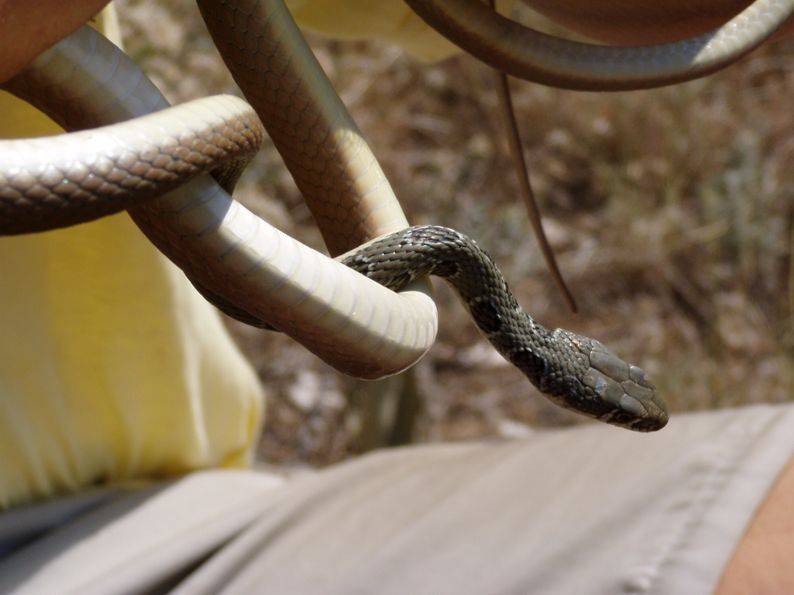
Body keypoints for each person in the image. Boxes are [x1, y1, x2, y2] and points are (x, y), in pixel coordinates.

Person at [0, 1, 791, 593]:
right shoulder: (440, 264)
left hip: (150, 514)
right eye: (612, 408)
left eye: (613, 402)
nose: (620, 411)